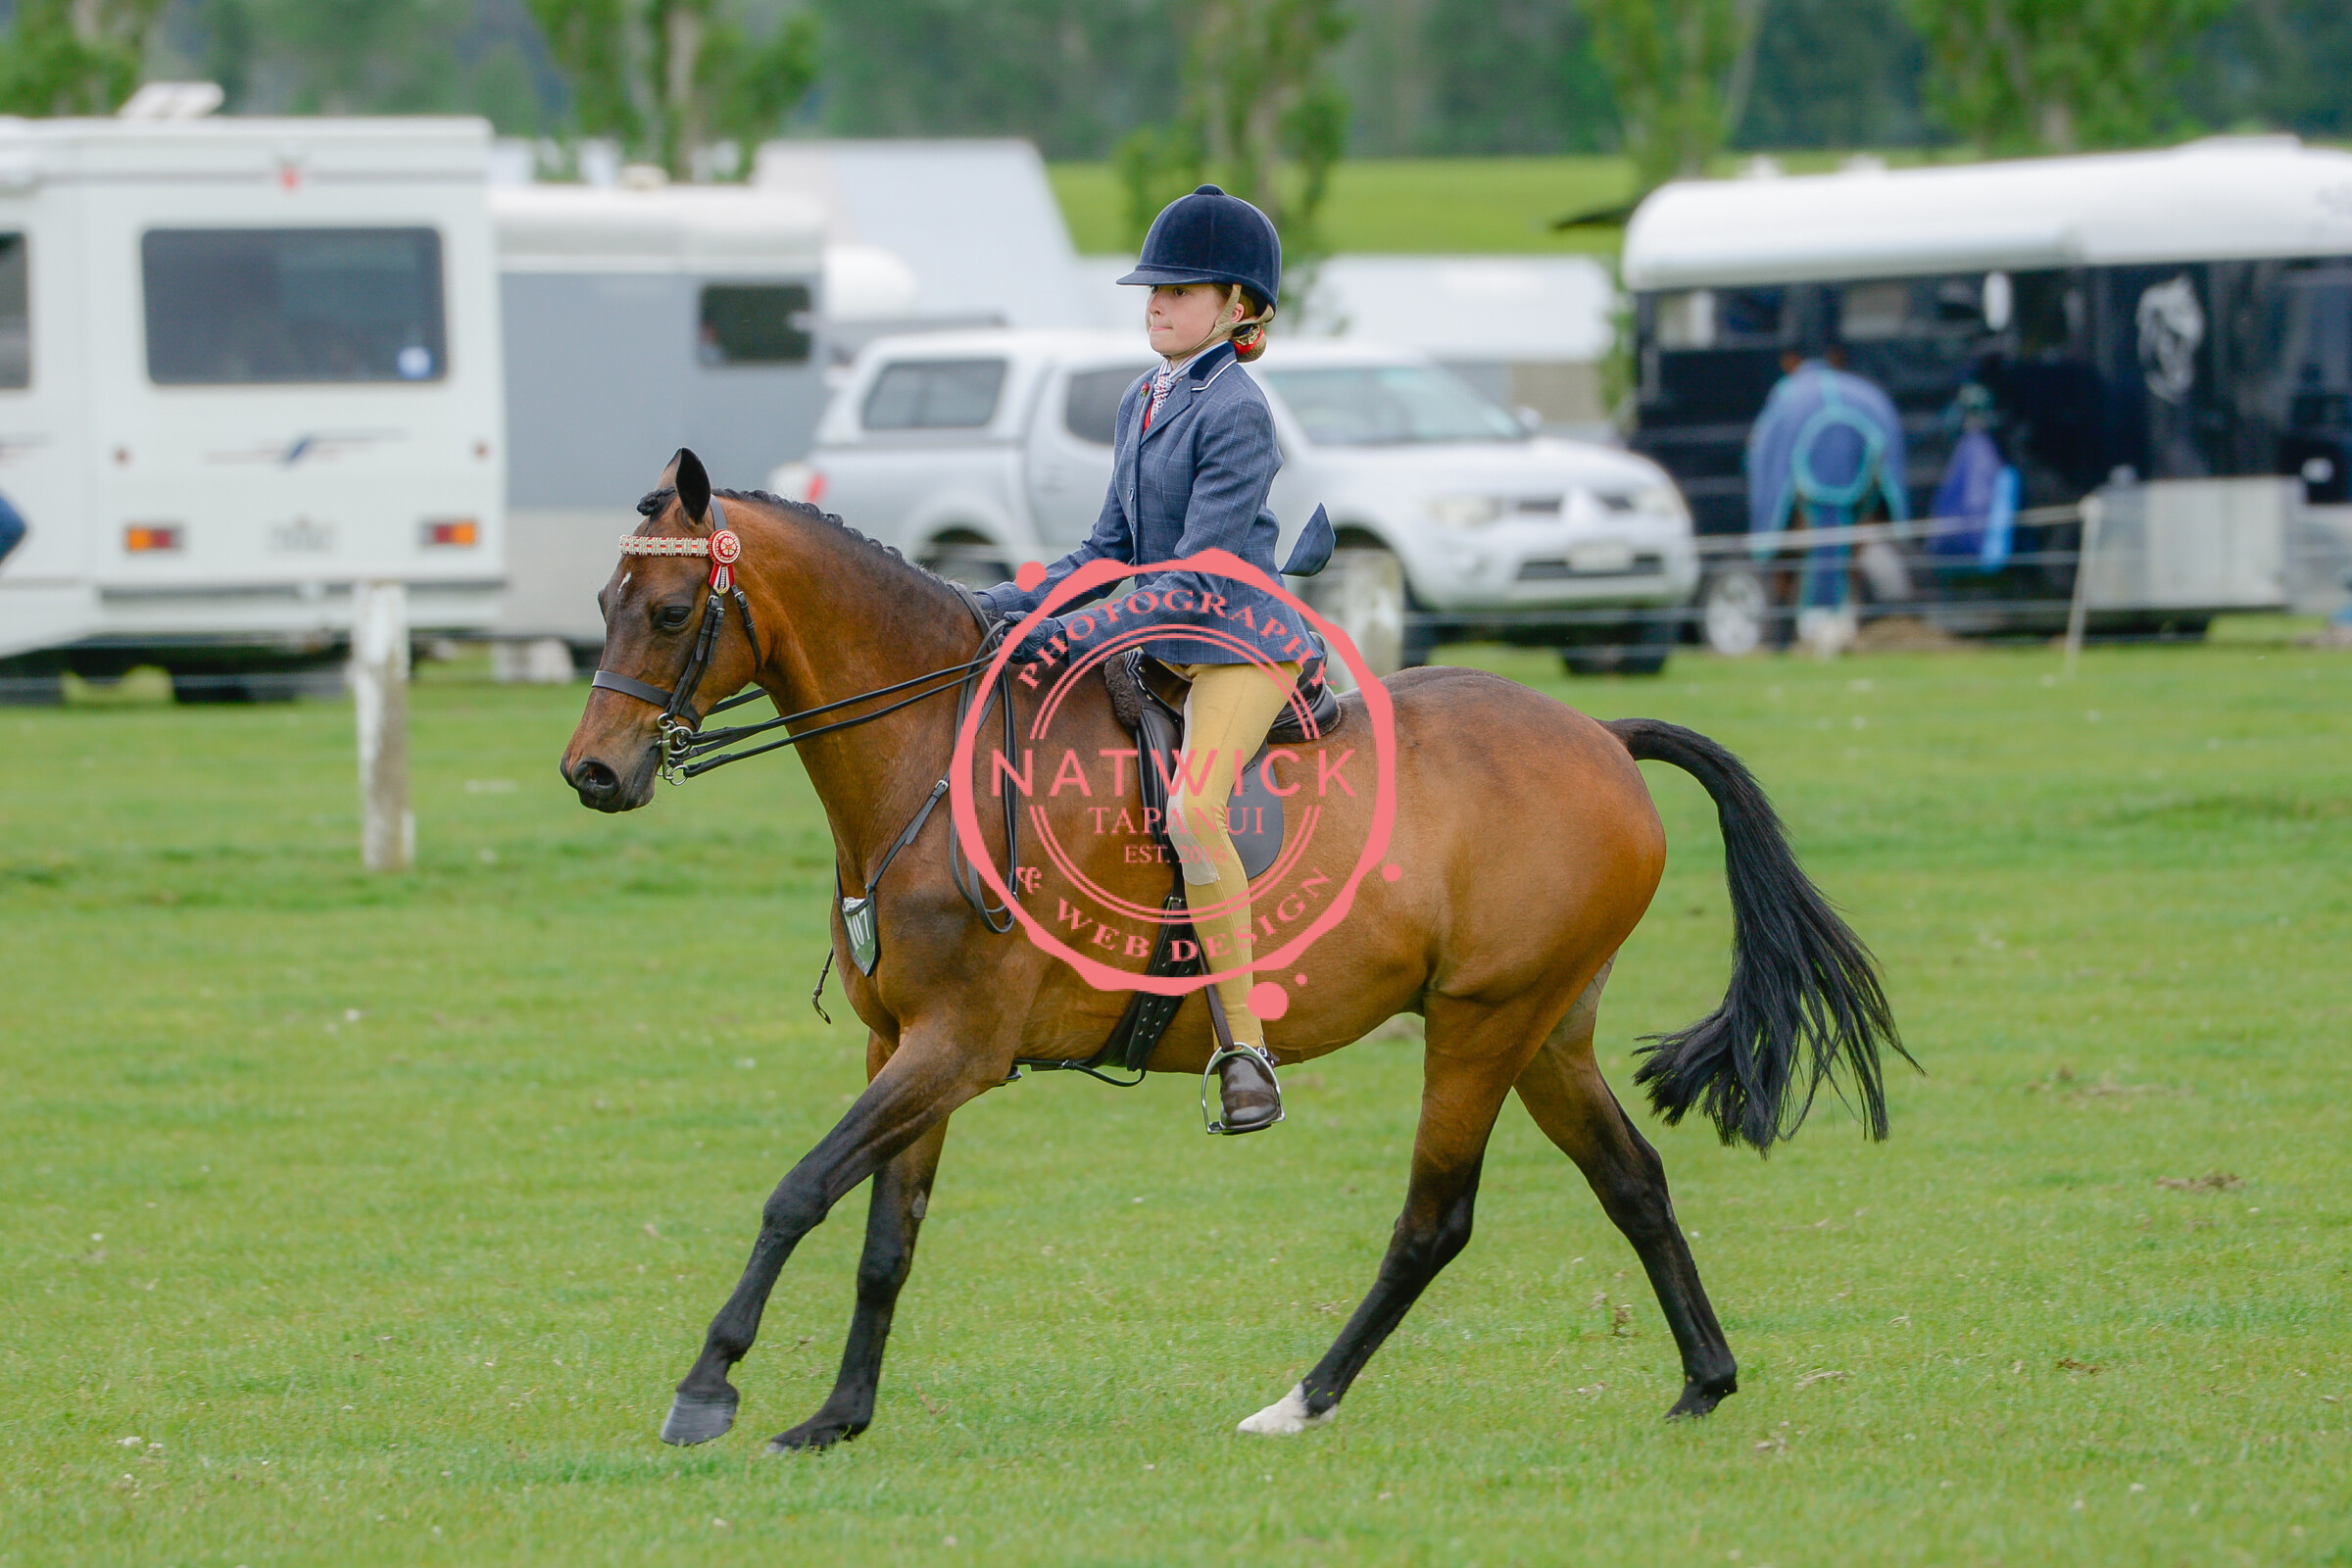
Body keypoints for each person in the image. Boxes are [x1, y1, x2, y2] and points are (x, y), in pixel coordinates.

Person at [976, 183, 1301, 1135]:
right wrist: (1000, 604)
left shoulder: (1238, 411)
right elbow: (1108, 549)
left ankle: (1246, 1052)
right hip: (1161, 642)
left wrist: (1079, 634)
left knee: (1196, 811)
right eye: (1153, 289)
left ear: (1237, 307)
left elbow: (1197, 574)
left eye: (1180, 291)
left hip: (1236, 645)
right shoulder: (1143, 398)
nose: (1156, 303)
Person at [1745, 344, 1909, 655]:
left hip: (1802, 494)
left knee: (1804, 553)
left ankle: (1807, 630)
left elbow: (1758, 456)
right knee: (1848, 551)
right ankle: (1836, 625)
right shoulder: (1866, 395)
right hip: (1864, 487)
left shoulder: (1786, 397)